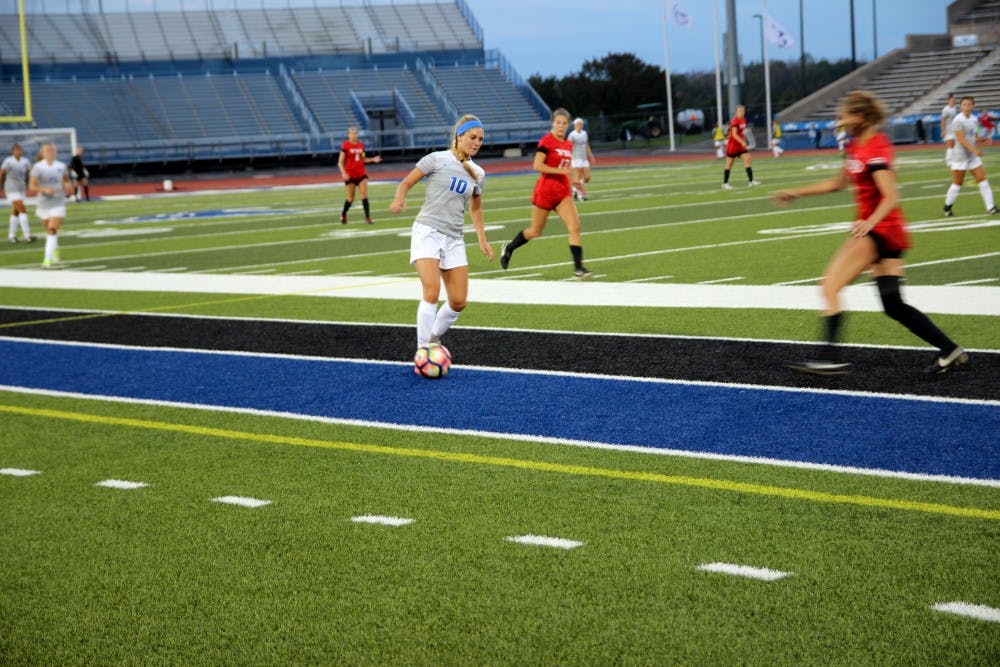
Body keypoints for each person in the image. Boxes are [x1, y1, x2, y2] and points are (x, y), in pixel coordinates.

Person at [773, 91, 967, 375]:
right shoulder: (856, 147)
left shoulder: (875, 148)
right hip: (888, 233)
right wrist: (795, 192)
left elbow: (890, 195)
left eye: (844, 115)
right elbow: (837, 184)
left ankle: (827, 358)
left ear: (861, 117)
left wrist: (869, 223)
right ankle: (951, 350)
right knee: (893, 304)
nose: (840, 120)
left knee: (829, 287)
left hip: (878, 232)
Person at [389, 114, 494, 349]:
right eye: (472, 137)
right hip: (428, 231)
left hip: (454, 238)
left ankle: (433, 336)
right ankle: (422, 349)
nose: (477, 142)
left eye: (481, 139)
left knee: (458, 301)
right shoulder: (436, 159)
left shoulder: (478, 172)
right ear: (459, 136)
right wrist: (399, 199)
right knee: (432, 292)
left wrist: (482, 239)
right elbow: (405, 182)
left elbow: (476, 208)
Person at [499, 108, 594, 279]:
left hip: (563, 192)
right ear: (553, 123)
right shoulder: (546, 141)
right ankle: (509, 247)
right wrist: (560, 172)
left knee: (575, 227)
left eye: (564, 123)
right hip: (545, 192)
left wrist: (574, 181)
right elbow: (537, 165)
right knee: (535, 231)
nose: (561, 126)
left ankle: (579, 268)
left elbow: (568, 168)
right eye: (558, 122)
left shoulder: (568, 143)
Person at [943, 96, 997, 217]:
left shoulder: (974, 119)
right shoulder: (957, 120)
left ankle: (991, 207)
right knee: (957, 183)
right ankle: (947, 207)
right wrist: (975, 150)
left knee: (982, 179)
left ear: (973, 106)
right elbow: (961, 139)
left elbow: (974, 136)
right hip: (960, 156)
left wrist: (983, 140)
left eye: (969, 104)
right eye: (964, 105)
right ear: (961, 106)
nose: (966, 107)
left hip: (972, 155)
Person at [29, 142, 73, 268]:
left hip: (58, 202)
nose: (50, 152)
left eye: (52, 150)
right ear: (43, 153)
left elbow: (65, 180)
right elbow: (32, 186)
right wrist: (44, 190)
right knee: (49, 230)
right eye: (47, 150)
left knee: (52, 229)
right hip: (43, 203)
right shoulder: (37, 167)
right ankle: (54, 248)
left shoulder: (61, 166)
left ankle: (46, 260)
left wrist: (68, 187)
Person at [338, 126, 382, 224]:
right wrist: (343, 173)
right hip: (350, 175)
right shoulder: (345, 145)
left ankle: (367, 217)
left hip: (361, 174)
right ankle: (343, 214)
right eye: (352, 133)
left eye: (355, 133)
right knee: (350, 198)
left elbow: (363, 159)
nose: (354, 135)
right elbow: (340, 162)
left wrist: (373, 159)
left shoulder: (361, 145)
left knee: (364, 195)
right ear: (348, 134)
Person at [1, 143, 34, 243]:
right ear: (13, 151)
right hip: (11, 188)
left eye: (20, 150)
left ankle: (12, 235)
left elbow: (31, 172)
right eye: (16, 150)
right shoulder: (8, 161)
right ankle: (28, 235)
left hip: (21, 188)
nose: (18, 152)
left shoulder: (25, 161)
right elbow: (2, 173)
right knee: (22, 208)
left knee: (15, 212)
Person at [721, 104, 760, 190]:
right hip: (733, 146)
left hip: (740, 146)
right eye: (740, 111)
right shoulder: (735, 121)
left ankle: (751, 181)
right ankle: (725, 183)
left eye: (743, 111)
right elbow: (734, 134)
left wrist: (746, 132)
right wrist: (742, 141)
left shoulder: (744, 119)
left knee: (748, 159)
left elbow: (741, 131)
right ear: (736, 112)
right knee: (729, 165)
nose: (742, 112)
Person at [568, 117, 596, 201]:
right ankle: (581, 196)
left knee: (587, 177)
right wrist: (569, 159)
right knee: (578, 177)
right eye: (578, 124)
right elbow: (568, 147)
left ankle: (575, 190)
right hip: (576, 159)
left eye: (581, 124)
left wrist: (591, 155)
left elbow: (586, 145)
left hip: (584, 159)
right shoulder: (572, 135)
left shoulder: (584, 133)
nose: (579, 126)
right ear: (574, 125)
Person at [940, 92, 957, 166]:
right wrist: (943, 131)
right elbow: (943, 120)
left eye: (954, 99)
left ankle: (949, 159)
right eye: (952, 99)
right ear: (949, 100)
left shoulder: (954, 108)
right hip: (948, 130)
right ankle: (948, 161)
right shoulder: (946, 109)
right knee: (950, 145)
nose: (954, 100)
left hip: (954, 130)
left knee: (953, 146)